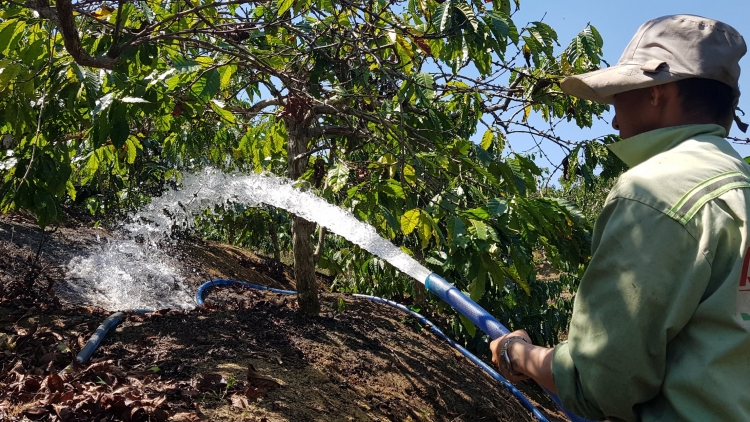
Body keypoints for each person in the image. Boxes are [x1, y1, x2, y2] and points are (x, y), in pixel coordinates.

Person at [490, 14, 750, 421]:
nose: (612, 118)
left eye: (618, 96)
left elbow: (602, 385)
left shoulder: (653, 192)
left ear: (657, 93)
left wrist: (516, 353)